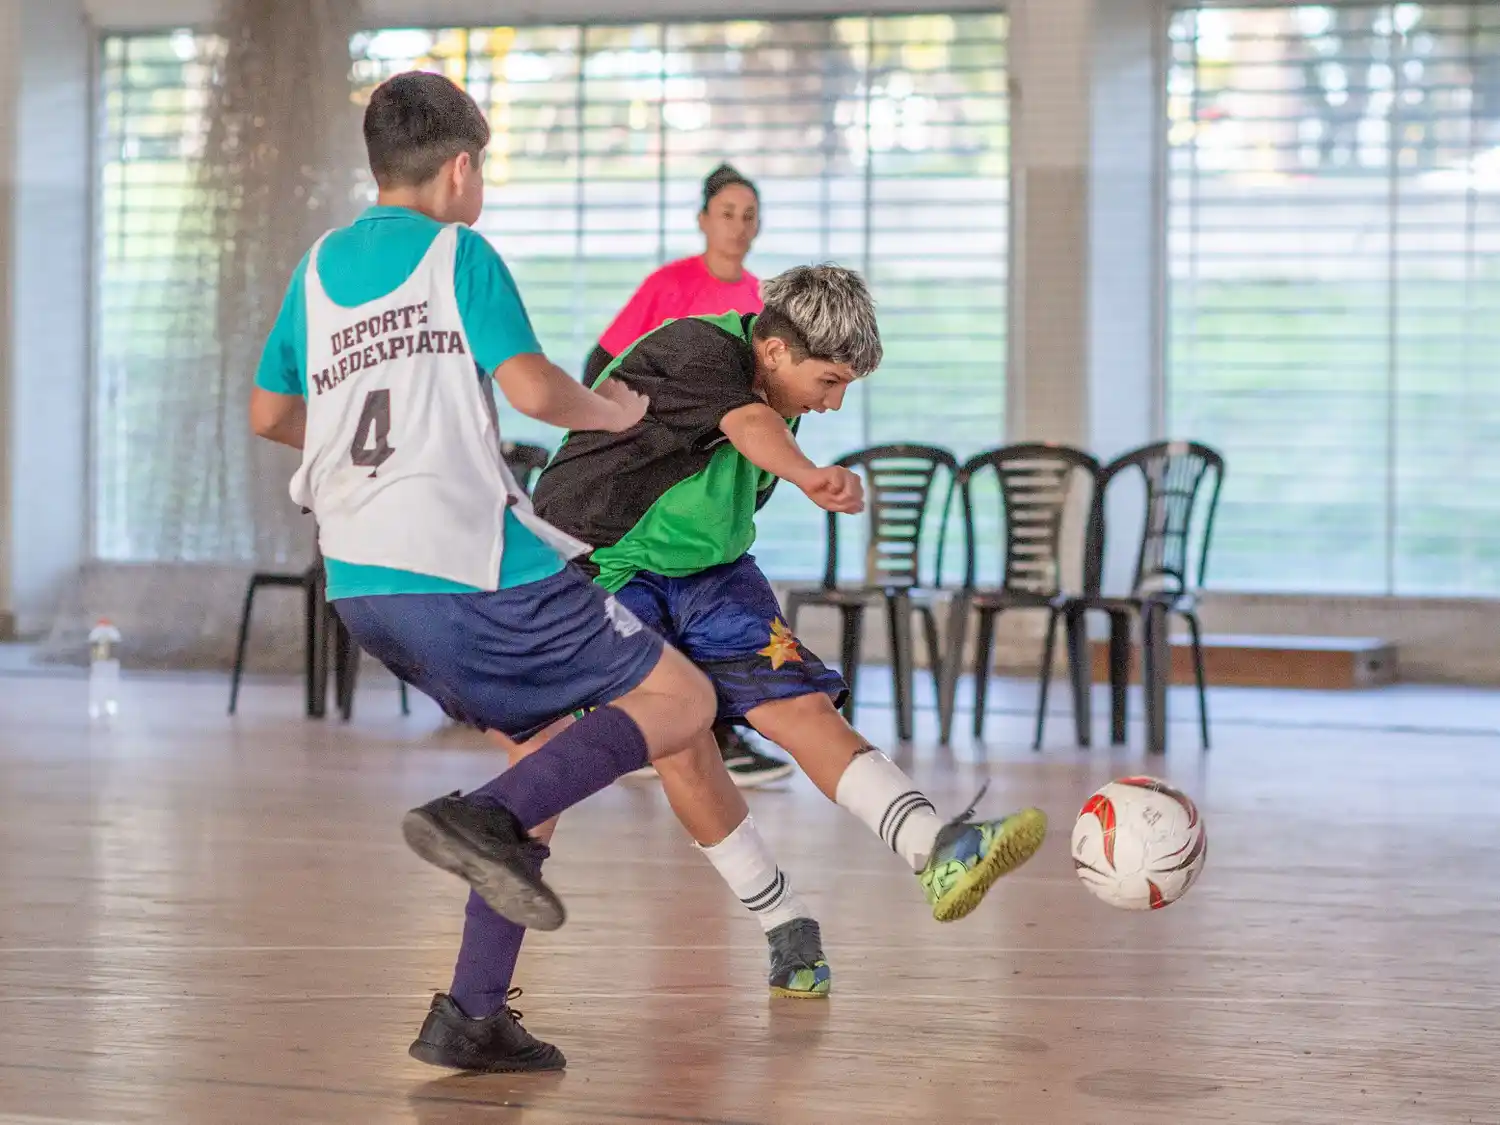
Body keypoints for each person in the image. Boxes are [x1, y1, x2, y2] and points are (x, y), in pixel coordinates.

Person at [248, 71, 829, 1075]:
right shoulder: (458, 252)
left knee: (550, 749)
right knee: (681, 698)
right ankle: (483, 821)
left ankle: (472, 1013)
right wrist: (617, 414)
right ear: (461, 168)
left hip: (361, 582)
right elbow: (533, 387)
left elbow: (270, 416)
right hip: (471, 565)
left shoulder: (316, 267)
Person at [531, 264, 1049, 934]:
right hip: (604, 567)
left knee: (799, 703)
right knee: (682, 743)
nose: (832, 404)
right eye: (829, 381)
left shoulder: (782, 392)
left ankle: (936, 846)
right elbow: (748, 424)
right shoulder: (695, 348)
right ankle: (784, 923)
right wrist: (809, 476)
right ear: (776, 350)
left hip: (709, 572)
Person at [583, 162, 792, 788]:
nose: (738, 225)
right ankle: (670, 732)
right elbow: (605, 360)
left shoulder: (763, 302)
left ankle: (708, 734)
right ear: (704, 220)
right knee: (657, 590)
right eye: (727, 212)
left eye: (749, 214)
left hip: (722, 473)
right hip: (658, 468)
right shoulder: (669, 284)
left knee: (715, 592)